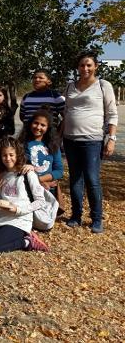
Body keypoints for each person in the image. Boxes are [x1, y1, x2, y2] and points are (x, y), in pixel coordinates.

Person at [62, 50, 118, 233]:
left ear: (96, 66)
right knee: (75, 179)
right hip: (70, 140)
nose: (85, 68)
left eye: (89, 65)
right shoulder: (70, 86)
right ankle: (76, 215)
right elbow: (66, 112)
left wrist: (111, 139)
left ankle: (96, 218)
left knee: (92, 179)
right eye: (81, 65)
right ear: (77, 67)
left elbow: (112, 114)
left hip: (92, 140)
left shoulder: (103, 85)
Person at [0, 137, 49, 254]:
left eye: (11, 155)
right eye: (4, 155)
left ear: (18, 154)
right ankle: (3, 234)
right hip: (1, 216)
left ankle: (27, 241)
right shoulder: (2, 174)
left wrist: (18, 209)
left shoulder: (27, 173)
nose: (8, 158)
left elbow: (41, 201)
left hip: (19, 218)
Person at [19, 109, 64, 214]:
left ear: (48, 128)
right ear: (30, 124)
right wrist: (34, 182)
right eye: (36, 123)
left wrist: (40, 179)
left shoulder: (53, 146)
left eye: (43, 125)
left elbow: (59, 171)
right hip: (28, 188)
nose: (38, 127)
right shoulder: (21, 144)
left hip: (48, 189)